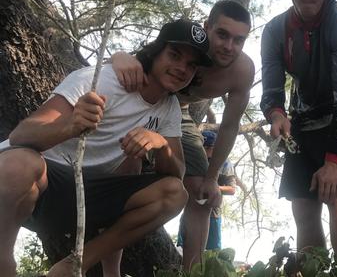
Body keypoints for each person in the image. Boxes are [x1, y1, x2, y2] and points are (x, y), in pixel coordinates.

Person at [0, 19, 213, 276]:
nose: (182, 68)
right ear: (156, 52)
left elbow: (177, 175)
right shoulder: (101, 79)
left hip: (88, 196)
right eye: (175, 55)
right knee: (20, 163)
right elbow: (22, 134)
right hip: (33, 184)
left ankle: (74, 265)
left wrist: (161, 145)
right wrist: (69, 126)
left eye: (191, 65)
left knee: (174, 193)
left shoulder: (169, 109)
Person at [111, 0, 254, 269]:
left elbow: (230, 125)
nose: (228, 46)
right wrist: (119, 56)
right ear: (207, 27)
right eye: (222, 34)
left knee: (201, 191)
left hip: (179, 114)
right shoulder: (185, 44)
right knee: (125, 169)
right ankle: (110, 269)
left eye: (239, 40)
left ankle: (192, 272)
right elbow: (138, 59)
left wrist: (212, 178)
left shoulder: (242, 71)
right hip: (144, 103)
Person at [260, 0, 337, 277]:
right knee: (303, 207)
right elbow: (272, 90)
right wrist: (276, 115)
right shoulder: (275, 30)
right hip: (302, 119)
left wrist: (334, 161)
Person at [177, 130, 237, 250]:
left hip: (213, 213)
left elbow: (232, 189)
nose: (204, 150)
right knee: (185, 246)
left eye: (208, 147)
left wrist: (211, 187)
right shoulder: (191, 159)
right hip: (190, 209)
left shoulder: (225, 164)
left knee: (212, 251)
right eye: (202, 147)